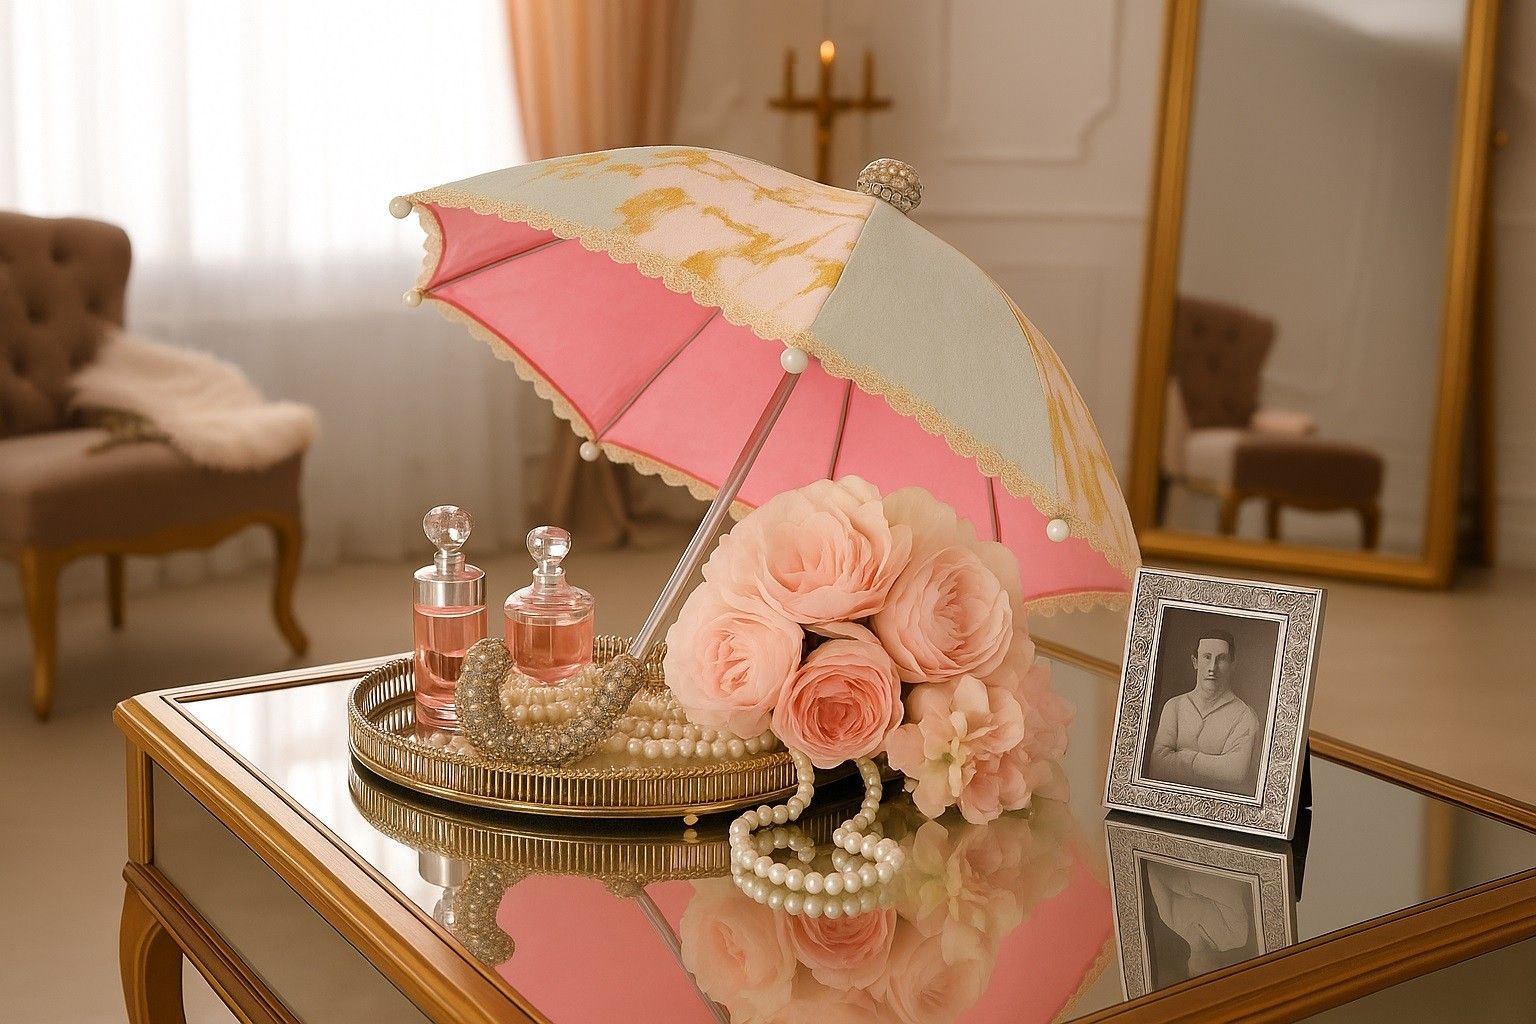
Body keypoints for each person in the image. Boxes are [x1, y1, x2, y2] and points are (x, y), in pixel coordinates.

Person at [1148, 628, 1260, 795]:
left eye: (1221, 659)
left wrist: (1182, 757)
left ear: (1232, 665)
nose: (1212, 668)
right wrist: (1215, 764)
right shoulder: (1174, 706)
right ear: (1195, 662)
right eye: (1206, 657)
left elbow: (1235, 772)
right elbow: (1157, 766)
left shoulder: (1245, 716)